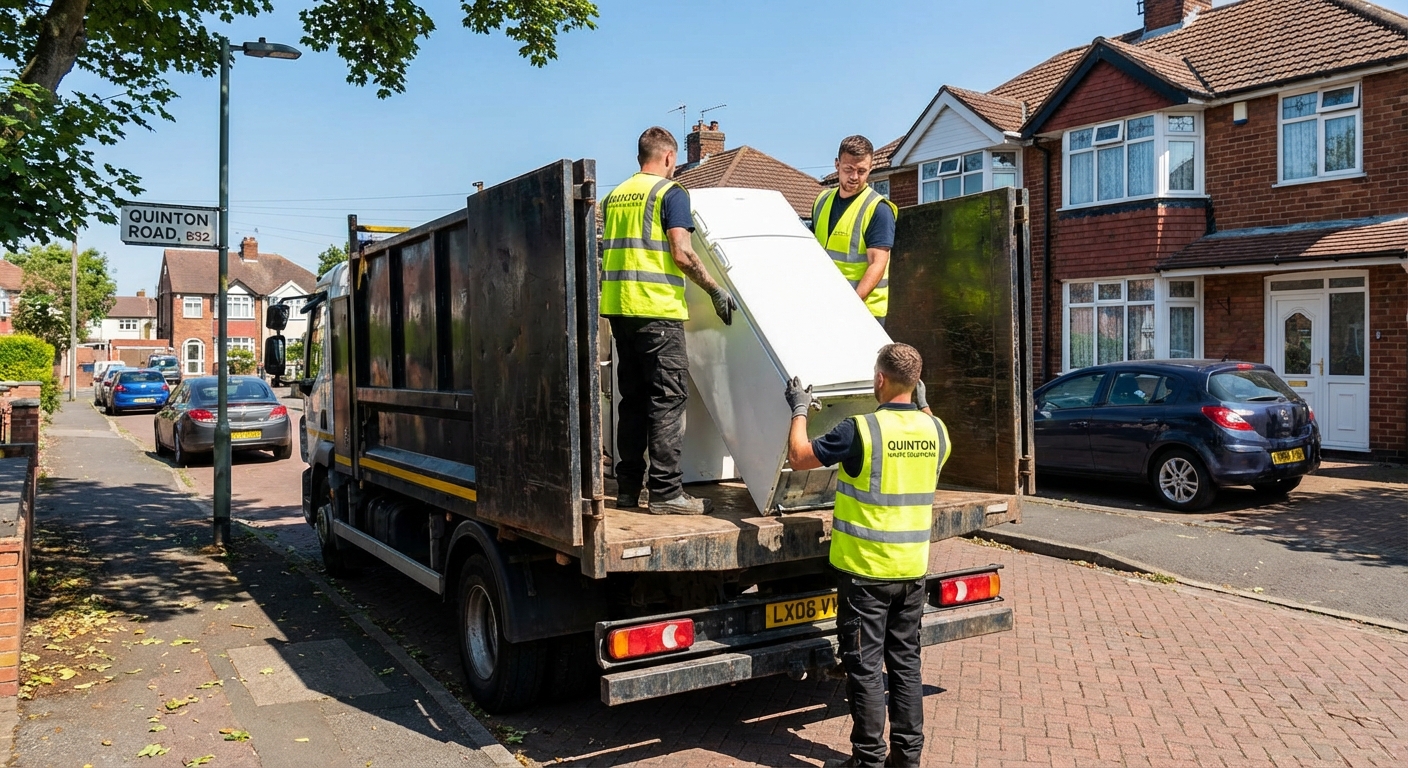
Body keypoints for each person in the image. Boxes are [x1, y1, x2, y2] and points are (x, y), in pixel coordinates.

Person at [784, 343, 949, 768]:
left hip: (866, 574)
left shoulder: (861, 430)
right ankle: (907, 759)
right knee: (906, 666)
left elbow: (799, 457)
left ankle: (869, 760)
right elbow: (926, 424)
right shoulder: (938, 432)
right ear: (916, 384)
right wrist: (924, 403)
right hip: (912, 570)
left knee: (864, 667)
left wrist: (800, 409)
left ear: (879, 380)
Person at [601, 126, 737, 516]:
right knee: (668, 399)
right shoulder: (670, 193)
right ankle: (665, 493)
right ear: (670, 158)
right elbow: (682, 252)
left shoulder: (615, 197)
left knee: (633, 402)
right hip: (657, 311)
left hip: (621, 311)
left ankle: (628, 488)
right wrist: (714, 289)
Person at [812, 135, 899, 326]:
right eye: (848, 169)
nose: (854, 177)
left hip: (864, 311)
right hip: (825, 305)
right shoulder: (821, 202)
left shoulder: (878, 209)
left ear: (870, 168)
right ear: (837, 165)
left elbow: (877, 263)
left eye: (861, 171)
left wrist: (851, 305)